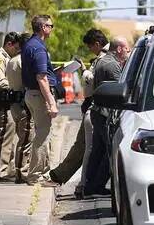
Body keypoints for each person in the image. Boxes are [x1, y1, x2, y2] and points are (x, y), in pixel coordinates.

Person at [46, 29, 108, 192]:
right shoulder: (103, 58)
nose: (90, 50)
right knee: (86, 147)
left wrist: (83, 69)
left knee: (85, 148)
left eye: (90, 47)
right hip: (95, 109)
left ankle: (83, 184)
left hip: (98, 110)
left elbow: (92, 83)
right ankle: (73, 179)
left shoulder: (104, 59)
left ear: (96, 43)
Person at [82, 36, 130, 196]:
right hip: (105, 114)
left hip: (98, 112)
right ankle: (96, 185)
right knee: (110, 151)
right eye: (126, 50)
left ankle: (89, 186)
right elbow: (123, 91)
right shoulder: (112, 65)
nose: (127, 53)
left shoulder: (101, 61)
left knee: (98, 151)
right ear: (119, 49)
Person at [21, 14, 61, 184]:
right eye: (50, 26)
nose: (52, 29)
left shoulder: (30, 45)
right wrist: (51, 101)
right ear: (44, 27)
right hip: (39, 95)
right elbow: (41, 78)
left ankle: (43, 172)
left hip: (32, 94)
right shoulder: (38, 48)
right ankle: (35, 175)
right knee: (42, 136)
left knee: (42, 132)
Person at [0, 32, 22, 182]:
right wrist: (17, 86)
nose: (17, 50)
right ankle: (0, 172)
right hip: (4, 101)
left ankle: (8, 170)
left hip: (10, 101)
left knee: (10, 136)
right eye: (16, 47)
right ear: (9, 44)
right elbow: (1, 81)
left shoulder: (8, 58)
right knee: (4, 135)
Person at [6, 33, 33, 184]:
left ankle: (20, 171)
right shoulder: (23, 61)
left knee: (23, 138)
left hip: (15, 104)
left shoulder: (12, 60)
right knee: (26, 140)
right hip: (23, 104)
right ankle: (22, 173)